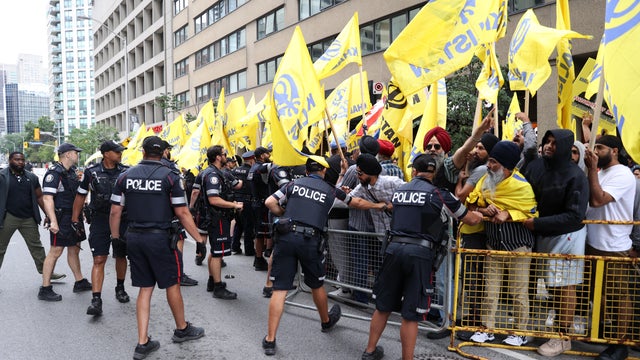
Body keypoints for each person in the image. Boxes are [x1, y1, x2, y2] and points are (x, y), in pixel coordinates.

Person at [361, 153, 483, 360]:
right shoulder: (439, 193)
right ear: (433, 174)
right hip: (419, 254)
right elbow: (468, 219)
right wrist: (479, 214)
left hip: (393, 250)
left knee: (383, 306)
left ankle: (369, 351)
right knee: (411, 314)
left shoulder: (399, 192)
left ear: (414, 172)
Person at [263, 157, 387, 356]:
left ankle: (270, 340)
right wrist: (379, 206)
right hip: (310, 241)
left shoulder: (293, 185)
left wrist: (284, 212)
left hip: (286, 237)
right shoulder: (331, 190)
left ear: (306, 171)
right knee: (317, 284)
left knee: (280, 289)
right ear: (323, 171)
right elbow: (357, 202)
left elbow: (270, 202)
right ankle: (326, 321)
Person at [109, 136, 205, 359]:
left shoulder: (124, 176)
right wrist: (199, 240)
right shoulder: (170, 177)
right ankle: (182, 329)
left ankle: (142, 342)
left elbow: (115, 211)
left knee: (145, 288)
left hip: (134, 237)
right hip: (160, 239)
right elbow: (182, 212)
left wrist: (115, 237)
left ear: (142, 152)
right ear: (163, 153)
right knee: (172, 284)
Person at [523, 130, 589, 356]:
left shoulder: (576, 176)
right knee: (550, 285)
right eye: (546, 142)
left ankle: (562, 337)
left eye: (554, 143)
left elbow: (575, 215)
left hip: (567, 236)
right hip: (541, 233)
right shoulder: (536, 167)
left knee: (564, 287)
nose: (549, 146)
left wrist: (537, 223)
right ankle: (544, 329)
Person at [467, 141, 538, 347]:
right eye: (489, 161)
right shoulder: (485, 181)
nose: (488, 166)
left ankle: (519, 332)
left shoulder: (522, 186)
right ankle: (486, 329)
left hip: (518, 246)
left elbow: (532, 212)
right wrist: (483, 209)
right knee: (489, 291)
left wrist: (509, 214)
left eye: (493, 162)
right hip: (493, 245)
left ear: (507, 166)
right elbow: (472, 201)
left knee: (518, 292)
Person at [584, 135, 636, 360]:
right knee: (600, 293)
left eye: (600, 147)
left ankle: (621, 344)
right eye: (594, 146)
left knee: (618, 296)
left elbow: (597, 200)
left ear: (614, 151)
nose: (596, 151)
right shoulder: (602, 172)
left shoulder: (623, 174)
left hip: (613, 246)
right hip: (593, 242)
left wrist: (592, 170)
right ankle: (605, 333)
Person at [72, 140, 130, 316]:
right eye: (117, 151)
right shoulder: (91, 172)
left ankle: (120, 287)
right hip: (100, 220)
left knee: (120, 255)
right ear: (106, 154)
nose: (120, 154)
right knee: (99, 259)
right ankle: (96, 300)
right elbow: (81, 196)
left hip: (122, 220)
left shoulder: (127, 171)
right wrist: (75, 219)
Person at [453, 133, 498, 341]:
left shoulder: (481, 169)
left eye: (481, 148)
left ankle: (472, 319)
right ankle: (471, 317)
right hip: (472, 230)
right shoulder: (478, 167)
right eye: (477, 147)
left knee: (473, 278)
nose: (476, 151)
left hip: (475, 232)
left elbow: (460, 197)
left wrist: (461, 181)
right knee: (471, 277)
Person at [39, 143, 92, 301]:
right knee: (55, 251)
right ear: (68, 154)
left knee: (74, 248)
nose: (78, 155)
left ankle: (79, 281)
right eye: (76, 153)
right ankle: (45, 288)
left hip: (73, 216)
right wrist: (53, 221)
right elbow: (47, 198)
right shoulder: (54, 173)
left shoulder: (72, 172)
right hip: (61, 217)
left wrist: (80, 212)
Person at [0, 152, 65, 280]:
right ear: (10, 161)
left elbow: (40, 197)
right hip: (8, 217)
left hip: (28, 218)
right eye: (17, 160)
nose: (20, 162)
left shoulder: (31, 177)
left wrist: (48, 214)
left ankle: (46, 272)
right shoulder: (2, 176)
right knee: (0, 248)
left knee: (36, 247)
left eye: (22, 160)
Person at [201, 145, 243, 299]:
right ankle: (218, 288)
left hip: (218, 217)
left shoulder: (217, 172)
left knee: (215, 251)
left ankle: (213, 281)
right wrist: (234, 205)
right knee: (218, 253)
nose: (226, 156)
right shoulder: (212, 174)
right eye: (224, 154)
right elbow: (213, 199)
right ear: (218, 157)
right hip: (217, 217)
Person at [161, 142, 198, 287]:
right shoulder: (170, 167)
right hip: (172, 211)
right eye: (169, 149)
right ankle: (178, 273)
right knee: (178, 241)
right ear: (165, 151)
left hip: (156, 212)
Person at [248, 147, 273, 271]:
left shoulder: (253, 167)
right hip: (262, 204)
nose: (270, 155)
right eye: (268, 153)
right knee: (262, 233)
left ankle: (258, 258)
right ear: (262, 156)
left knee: (259, 233)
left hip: (256, 203)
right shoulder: (261, 168)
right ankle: (259, 259)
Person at [230, 151, 256, 256]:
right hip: (247, 200)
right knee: (248, 225)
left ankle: (235, 246)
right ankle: (249, 250)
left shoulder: (235, 170)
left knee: (238, 224)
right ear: (251, 160)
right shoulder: (251, 171)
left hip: (235, 200)